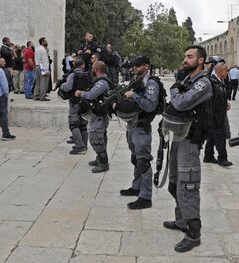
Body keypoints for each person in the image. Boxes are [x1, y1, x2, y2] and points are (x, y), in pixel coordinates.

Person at [162, 45, 212, 253]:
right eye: (185, 56)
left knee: (188, 186)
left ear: (200, 60)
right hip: (179, 136)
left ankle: (194, 232)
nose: (185, 59)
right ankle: (182, 219)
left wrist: (174, 90)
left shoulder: (203, 83)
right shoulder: (188, 81)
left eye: (190, 57)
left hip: (191, 141)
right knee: (174, 184)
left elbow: (181, 103)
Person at [117, 55, 159, 210]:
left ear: (146, 66)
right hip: (132, 125)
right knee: (136, 159)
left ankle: (146, 197)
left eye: (138, 65)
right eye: (133, 65)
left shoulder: (151, 83)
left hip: (142, 127)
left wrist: (133, 95)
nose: (134, 67)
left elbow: (149, 105)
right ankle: (137, 187)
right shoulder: (137, 80)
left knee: (143, 161)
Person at [74, 61, 110, 173]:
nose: (92, 69)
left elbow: (91, 95)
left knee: (96, 138)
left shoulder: (102, 82)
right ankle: (100, 158)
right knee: (100, 137)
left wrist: (81, 93)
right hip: (98, 114)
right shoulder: (101, 81)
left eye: (93, 68)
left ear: (96, 69)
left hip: (99, 115)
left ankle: (103, 163)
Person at [204, 63, 233, 167]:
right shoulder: (212, 82)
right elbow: (210, 100)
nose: (227, 72)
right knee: (220, 136)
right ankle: (222, 158)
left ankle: (208, 156)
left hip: (218, 114)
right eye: (226, 70)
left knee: (212, 136)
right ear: (220, 71)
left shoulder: (219, 81)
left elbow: (219, 97)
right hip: (215, 115)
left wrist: (225, 103)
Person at [61, 57, 90, 155]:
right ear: (83, 65)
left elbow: (68, 87)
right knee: (83, 125)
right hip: (85, 102)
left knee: (73, 124)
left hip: (74, 102)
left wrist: (62, 86)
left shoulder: (72, 75)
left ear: (74, 65)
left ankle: (80, 146)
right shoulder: (87, 75)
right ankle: (84, 145)